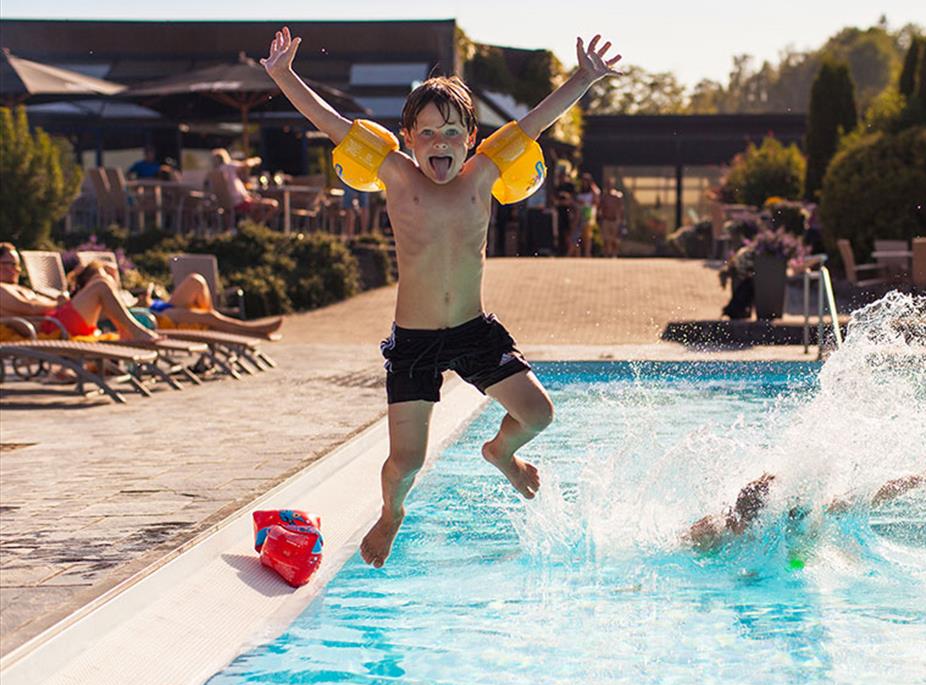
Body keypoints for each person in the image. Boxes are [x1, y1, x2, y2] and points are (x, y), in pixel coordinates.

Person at [262, 26, 622, 568]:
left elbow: (536, 120)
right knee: (406, 462)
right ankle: (391, 514)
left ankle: (501, 451)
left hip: (475, 330)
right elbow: (330, 124)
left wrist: (586, 77)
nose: (440, 144)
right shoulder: (395, 175)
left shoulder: (483, 175)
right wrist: (285, 75)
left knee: (539, 414)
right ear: (407, 137)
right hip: (415, 342)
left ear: (472, 138)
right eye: (427, 133)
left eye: (452, 133)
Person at [685, 460, 926, 554]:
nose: (743, 529)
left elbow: (870, 496)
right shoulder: (719, 527)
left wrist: (922, 477)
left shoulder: (801, 514)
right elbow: (676, 544)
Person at [70, 260, 284, 339]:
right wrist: (138, 304)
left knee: (196, 281)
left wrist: (144, 299)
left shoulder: (111, 290)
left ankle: (216, 329)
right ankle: (253, 331)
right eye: (108, 273)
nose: (114, 276)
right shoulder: (98, 295)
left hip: (159, 307)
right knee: (208, 316)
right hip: (156, 317)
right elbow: (116, 317)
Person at [0, 243, 160, 343]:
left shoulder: (16, 288)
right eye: (11, 264)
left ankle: (126, 330)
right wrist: (58, 303)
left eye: (18, 265)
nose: (17, 269)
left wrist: (65, 296)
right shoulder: (1, 289)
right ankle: (135, 331)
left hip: (59, 320)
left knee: (104, 279)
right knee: (100, 285)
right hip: (53, 326)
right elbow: (28, 308)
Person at [209, 148, 279, 225]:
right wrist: (256, 160)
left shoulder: (215, 173)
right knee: (273, 204)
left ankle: (251, 226)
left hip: (228, 205)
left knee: (255, 204)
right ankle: (257, 226)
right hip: (240, 203)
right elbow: (246, 164)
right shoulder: (229, 166)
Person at [573, 173, 600, 257]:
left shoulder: (592, 191)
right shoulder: (580, 191)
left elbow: (596, 201)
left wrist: (592, 186)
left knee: (587, 237)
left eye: (586, 180)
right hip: (578, 216)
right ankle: (579, 254)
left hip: (588, 216)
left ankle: (587, 254)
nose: (584, 182)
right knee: (578, 236)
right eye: (583, 180)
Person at [598, 183, 625, 258]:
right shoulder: (604, 197)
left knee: (615, 239)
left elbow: (621, 208)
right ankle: (606, 254)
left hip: (615, 220)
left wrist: (621, 220)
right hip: (606, 219)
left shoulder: (618, 196)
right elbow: (600, 208)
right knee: (606, 239)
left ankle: (614, 254)